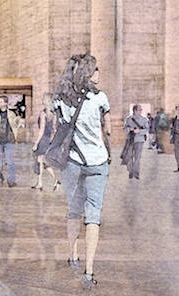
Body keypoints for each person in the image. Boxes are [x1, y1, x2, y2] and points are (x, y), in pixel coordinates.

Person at [53, 53, 110, 292]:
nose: (98, 74)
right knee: (93, 214)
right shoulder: (100, 99)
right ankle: (89, 270)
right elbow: (106, 131)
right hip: (98, 162)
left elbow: (60, 131)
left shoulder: (61, 100)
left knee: (73, 210)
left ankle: (72, 254)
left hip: (73, 163)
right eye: (96, 70)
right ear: (87, 73)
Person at [0, 95, 22, 186]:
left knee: (10, 162)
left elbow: (15, 126)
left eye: (1, 102)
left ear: (6, 103)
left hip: (8, 142)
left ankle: (11, 181)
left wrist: (15, 136)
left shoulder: (11, 114)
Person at [32, 93, 61, 191]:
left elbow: (41, 130)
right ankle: (43, 182)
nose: (42, 100)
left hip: (43, 139)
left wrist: (36, 143)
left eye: (43, 99)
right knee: (42, 162)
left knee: (40, 161)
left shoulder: (43, 113)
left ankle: (50, 181)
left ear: (46, 101)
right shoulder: (54, 114)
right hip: (50, 139)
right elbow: (55, 129)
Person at [123, 104, 149, 180]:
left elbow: (147, 130)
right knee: (129, 157)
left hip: (139, 140)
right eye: (139, 110)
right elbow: (125, 128)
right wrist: (129, 129)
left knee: (137, 157)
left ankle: (136, 173)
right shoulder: (128, 119)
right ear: (134, 111)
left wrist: (139, 131)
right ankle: (130, 171)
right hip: (130, 140)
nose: (141, 111)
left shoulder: (144, 120)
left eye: (141, 110)